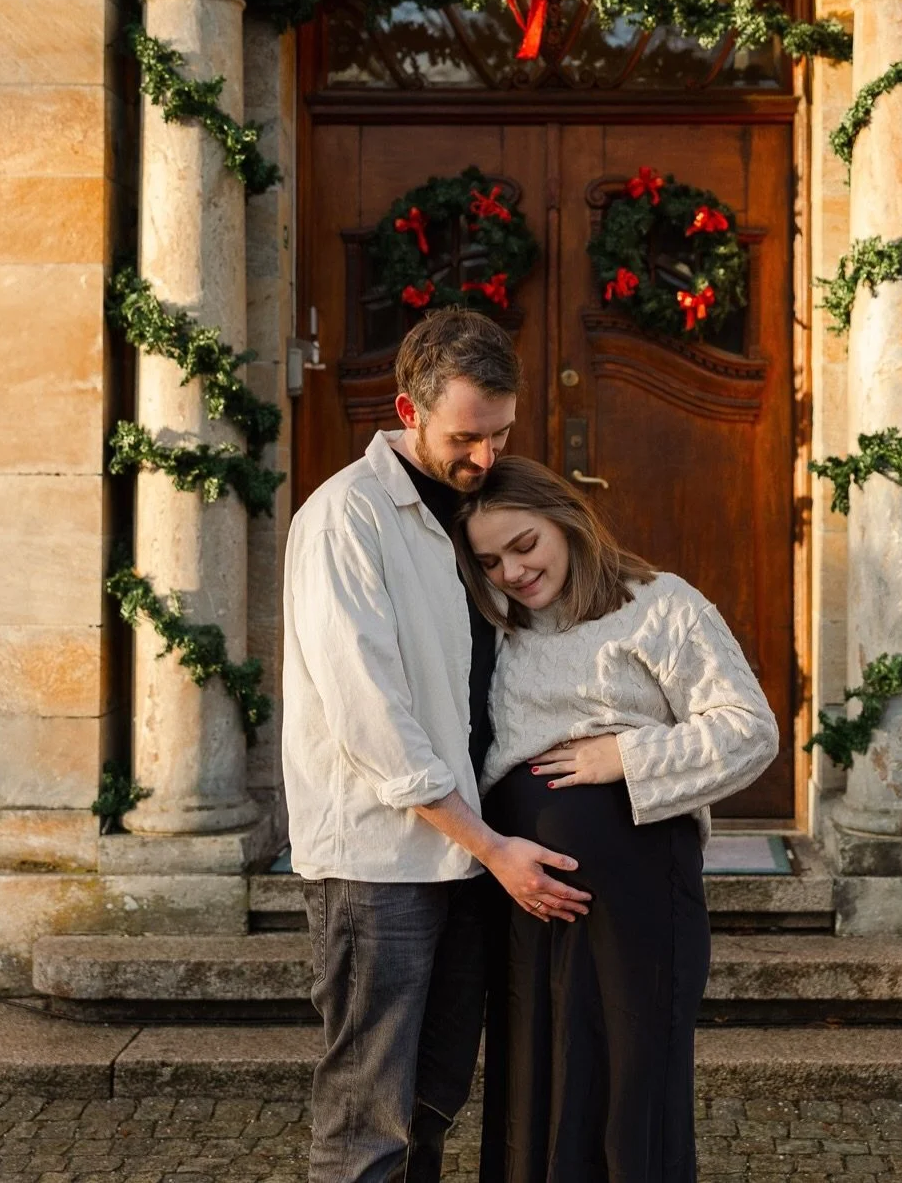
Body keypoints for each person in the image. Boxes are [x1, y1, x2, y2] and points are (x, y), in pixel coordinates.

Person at [282, 309, 592, 1183]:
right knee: (367, 1116)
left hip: (464, 855)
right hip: (380, 865)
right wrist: (493, 848)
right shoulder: (346, 519)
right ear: (406, 410)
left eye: (501, 434)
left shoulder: (476, 514)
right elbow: (370, 716)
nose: (487, 457)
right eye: (467, 436)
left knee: (431, 1098)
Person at [455, 456, 780, 1183]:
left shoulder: (660, 605)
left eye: (524, 544)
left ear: (565, 520)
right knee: (534, 1082)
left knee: (632, 1089)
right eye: (490, 560)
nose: (510, 570)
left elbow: (749, 730)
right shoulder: (492, 628)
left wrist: (626, 757)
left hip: (639, 890)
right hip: (524, 892)